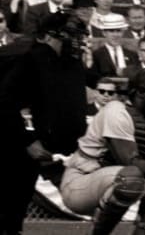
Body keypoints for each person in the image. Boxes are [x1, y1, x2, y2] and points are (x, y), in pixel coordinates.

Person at [60, 67, 145, 235]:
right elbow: (133, 163)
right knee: (131, 177)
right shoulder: (117, 111)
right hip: (81, 182)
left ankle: (142, 232)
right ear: (140, 92)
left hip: (112, 182)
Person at [0, 13, 93, 235]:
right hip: (13, 145)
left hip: (48, 149)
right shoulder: (28, 59)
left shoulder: (70, 63)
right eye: (72, 36)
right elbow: (4, 103)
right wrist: (27, 141)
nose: (78, 42)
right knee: (7, 202)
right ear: (51, 36)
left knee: (16, 205)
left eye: (80, 37)